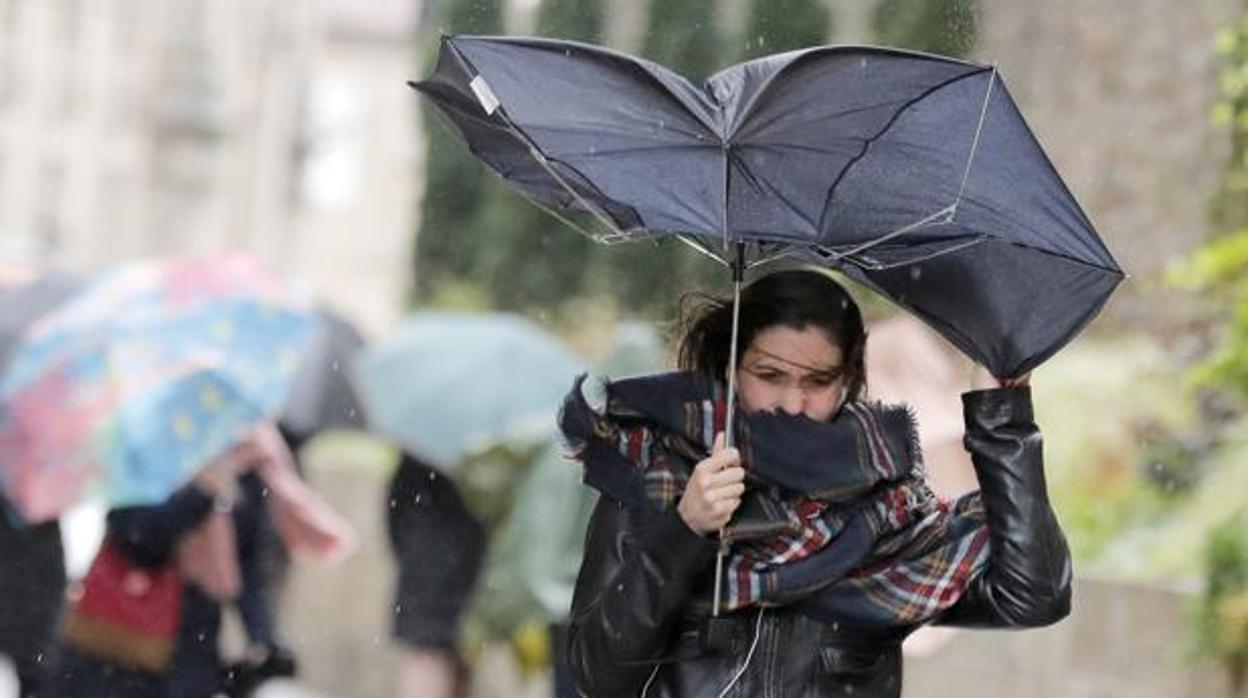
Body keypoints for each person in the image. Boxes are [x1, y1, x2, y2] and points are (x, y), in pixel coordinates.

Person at [560, 269, 1072, 697]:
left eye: (818, 382)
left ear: (849, 379)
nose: (792, 403)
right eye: (770, 375)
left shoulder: (889, 514)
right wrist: (683, 531)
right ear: (732, 368)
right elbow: (595, 675)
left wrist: (1003, 422)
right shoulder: (657, 480)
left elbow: (1032, 595)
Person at [47, 422, 352, 698]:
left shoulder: (248, 453)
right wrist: (200, 493)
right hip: (118, 647)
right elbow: (135, 540)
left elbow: (248, 562)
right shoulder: (148, 438)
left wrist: (263, 639)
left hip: (193, 644)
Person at [387, 450, 486, 698]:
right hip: (466, 557)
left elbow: (396, 509)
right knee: (445, 653)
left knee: (428, 654)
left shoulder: (420, 446)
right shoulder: (491, 449)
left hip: (426, 559)